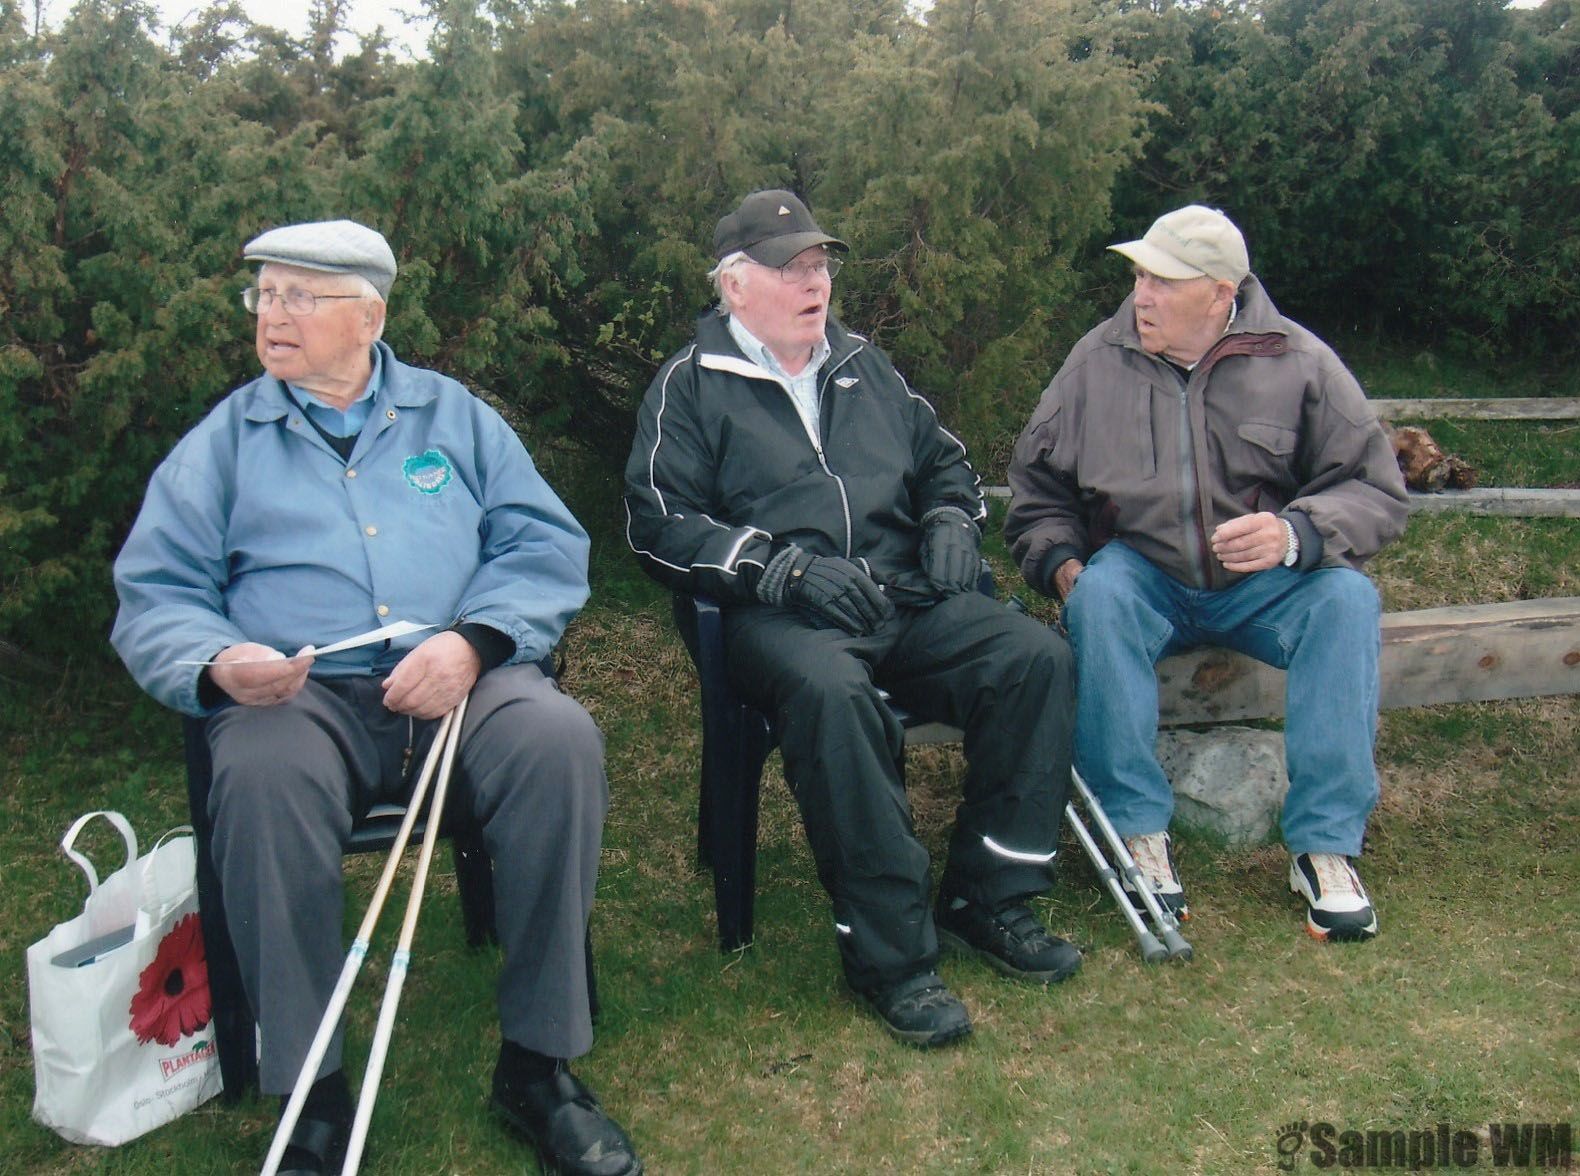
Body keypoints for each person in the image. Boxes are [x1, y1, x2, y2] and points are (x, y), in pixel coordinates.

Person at [112, 220, 641, 1176]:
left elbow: (544, 546)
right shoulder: (224, 443)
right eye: (264, 296)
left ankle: (537, 1064)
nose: (273, 315)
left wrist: (474, 642)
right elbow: (155, 594)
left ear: (371, 315)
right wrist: (219, 660)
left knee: (560, 742)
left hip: (465, 680)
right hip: (302, 698)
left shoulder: (456, 419)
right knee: (262, 776)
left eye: (298, 297)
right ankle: (312, 1091)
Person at [623, 190, 1081, 1048]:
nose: (815, 280)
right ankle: (892, 960)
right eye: (790, 266)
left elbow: (945, 463)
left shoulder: (866, 366)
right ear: (734, 286)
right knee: (835, 696)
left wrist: (950, 521)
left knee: (1034, 658)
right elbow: (658, 524)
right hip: (780, 618)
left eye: (821, 264)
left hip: (901, 596)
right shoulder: (689, 387)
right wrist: (780, 568)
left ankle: (993, 897)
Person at [1005, 204, 1409, 943]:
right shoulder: (1095, 363)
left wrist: (1298, 533)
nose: (1142, 296)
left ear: (1222, 292)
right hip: (1144, 574)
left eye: (1164, 280)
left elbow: (1375, 489)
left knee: (1348, 600)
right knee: (1100, 592)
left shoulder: (1301, 363)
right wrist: (1062, 564)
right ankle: (1135, 834)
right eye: (1139, 277)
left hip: (1262, 585)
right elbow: (1037, 490)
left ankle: (1325, 846)